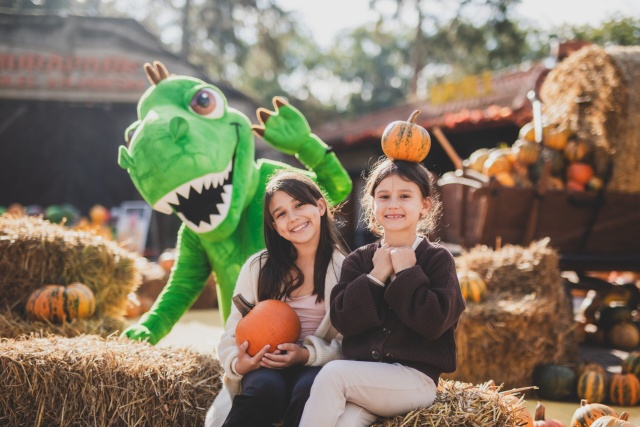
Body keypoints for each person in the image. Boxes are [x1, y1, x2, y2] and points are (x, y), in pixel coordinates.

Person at [300, 158, 466, 427]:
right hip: (365, 380)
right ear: (372, 204)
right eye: (383, 196)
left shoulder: (438, 259)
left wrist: (406, 274)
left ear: (424, 205)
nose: (393, 204)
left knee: (333, 375)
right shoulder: (358, 261)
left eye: (404, 196)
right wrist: (375, 277)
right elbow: (344, 321)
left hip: (414, 380)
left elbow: (434, 324)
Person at [205, 170, 348, 427]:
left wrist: (305, 355)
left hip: (316, 365)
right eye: (281, 214)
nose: (292, 218)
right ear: (276, 227)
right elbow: (232, 332)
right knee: (264, 391)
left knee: (309, 392)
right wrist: (240, 363)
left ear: (320, 206)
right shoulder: (258, 269)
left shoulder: (345, 271)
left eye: (299, 204)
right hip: (265, 365)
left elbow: (352, 344)